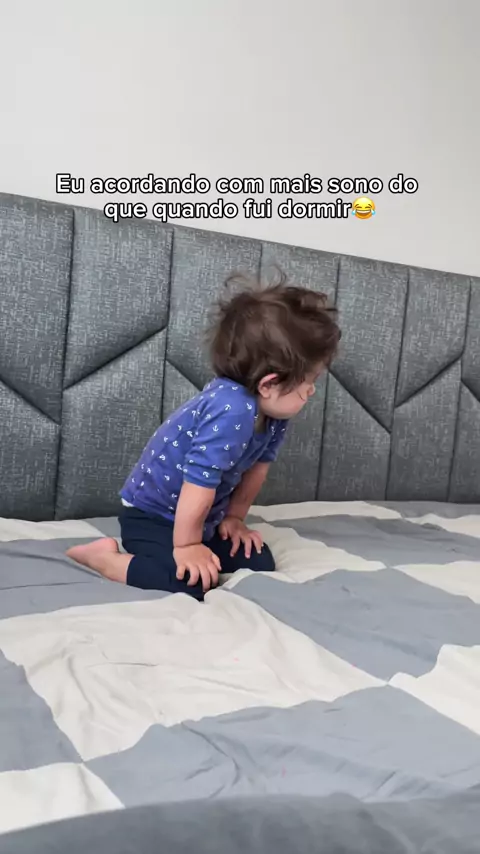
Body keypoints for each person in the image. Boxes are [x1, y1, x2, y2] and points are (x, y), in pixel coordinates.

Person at [67, 271, 341, 601]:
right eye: (309, 381)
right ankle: (103, 558)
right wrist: (187, 546)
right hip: (152, 517)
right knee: (191, 583)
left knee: (257, 560)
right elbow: (199, 482)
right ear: (269, 384)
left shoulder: (274, 416)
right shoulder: (231, 409)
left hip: (203, 518)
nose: (311, 391)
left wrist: (234, 519)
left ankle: (195, 540)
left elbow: (257, 471)